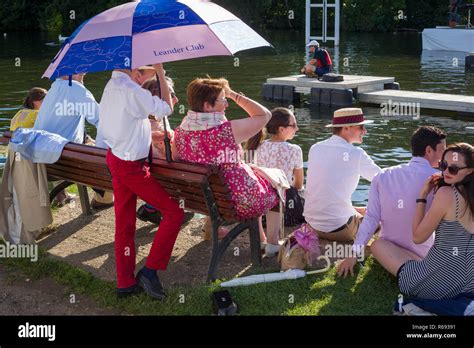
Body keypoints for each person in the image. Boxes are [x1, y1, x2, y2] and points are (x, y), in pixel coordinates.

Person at [99, 64, 184, 300]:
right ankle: (149, 271)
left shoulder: (111, 85)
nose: (145, 81)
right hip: (131, 166)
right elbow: (166, 108)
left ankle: (125, 282)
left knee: (124, 223)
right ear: (136, 72)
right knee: (174, 212)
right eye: (145, 75)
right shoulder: (131, 89)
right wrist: (160, 71)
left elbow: (129, 120)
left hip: (116, 157)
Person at [337, 126, 447, 277]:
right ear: (429, 150)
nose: (445, 155)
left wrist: (353, 254)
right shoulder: (440, 180)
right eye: (443, 149)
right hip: (425, 254)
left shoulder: (383, 175)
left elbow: (372, 218)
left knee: (377, 245)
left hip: (389, 250)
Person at [173, 77, 279, 222]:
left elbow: (175, 158)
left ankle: (214, 227)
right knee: (279, 186)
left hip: (202, 200)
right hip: (239, 201)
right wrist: (233, 94)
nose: (226, 104)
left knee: (257, 175)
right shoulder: (225, 131)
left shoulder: (180, 131)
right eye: (222, 100)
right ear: (207, 106)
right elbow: (265, 115)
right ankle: (272, 243)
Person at [396, 143, 473, 299]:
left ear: (470, 170)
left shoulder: (447, 194)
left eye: (453, 169)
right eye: (443, 165)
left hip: (439, 284)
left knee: (379, 245)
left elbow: (418, 238)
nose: (445, 172)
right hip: (470, 282)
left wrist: (422, 197)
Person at [33, 73, 113, 208]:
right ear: (67, 73)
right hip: (68, 163)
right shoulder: (73, 88)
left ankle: (104, 197)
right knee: (115, 154)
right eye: (80, 70)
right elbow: (102, 120)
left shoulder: (54, 88)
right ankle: (104, 198)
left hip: (50, 163)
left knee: (92, 147)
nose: (84, 73)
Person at [303, 108, 381, 242]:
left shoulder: (315, 148)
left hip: (313, 226)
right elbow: (384, 180)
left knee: (351, 208)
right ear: (346, 127)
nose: (365, 131)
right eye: (361, 127)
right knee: (378, 220)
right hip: (341, 230)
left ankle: (352, 211)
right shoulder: (356, 153)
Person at [135, 75, 194, 226]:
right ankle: (154, 207)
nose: (176, 100)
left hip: (149, 178)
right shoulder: (162, 133)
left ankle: (150, 207)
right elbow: (175, 159)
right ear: (156, 98)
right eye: (171, 95)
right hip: (165, 180)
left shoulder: (138, 122)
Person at [246, 107, 304, 256]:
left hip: (259, 203)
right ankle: (273, 241)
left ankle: (261, 238)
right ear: (281, 129)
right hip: (283, 206)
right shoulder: (295, 149)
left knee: (266, 188)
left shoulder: (257, 145)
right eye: (294, 125)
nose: (297, 129)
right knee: (287, 191)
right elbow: (298, 185)